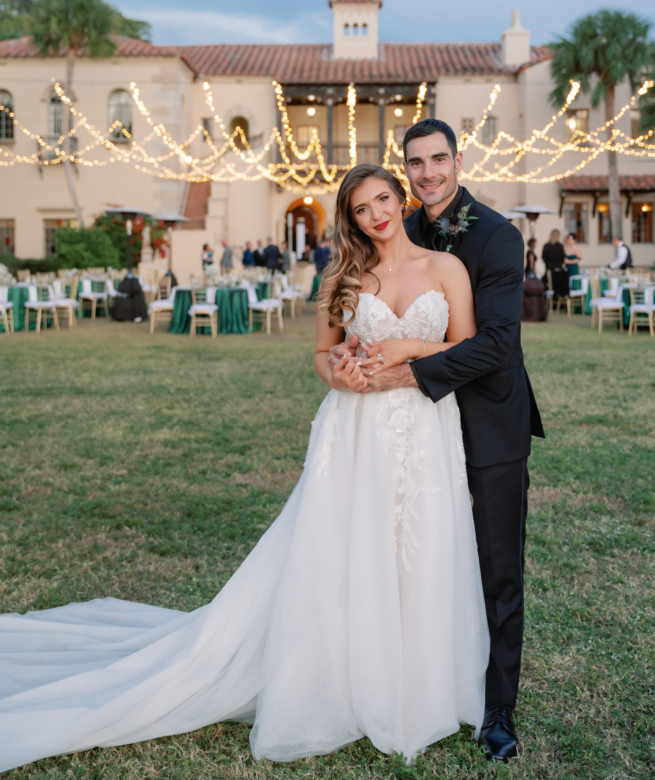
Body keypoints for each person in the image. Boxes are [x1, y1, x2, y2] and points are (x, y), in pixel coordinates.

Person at [0, 164, 488, 772]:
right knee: (350, 546)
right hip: (354, 426)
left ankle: (415, 678)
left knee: (418, 545)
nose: (375, 216)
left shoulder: (446, 269)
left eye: (383, 200)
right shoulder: (341, 274)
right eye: (361, 209)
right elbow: (320, 354)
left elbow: (469, 348)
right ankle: (343, 673)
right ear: (350, 218)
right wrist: (338, 370)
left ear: (401, 197)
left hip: (421, 424)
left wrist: (409, 347)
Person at [329, 119, 544, 763]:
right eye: (415, 164)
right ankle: (412, 680)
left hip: (491, 423)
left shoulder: (501, 237)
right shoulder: (397, 227)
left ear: (457, 160)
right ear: (404, 173)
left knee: (498, 569)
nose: (428, 174)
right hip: (418, 430)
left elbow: (498, 343)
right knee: (416, 556)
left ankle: (497, 708)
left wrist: (409, 364)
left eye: (438, 160)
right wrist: (349, 358)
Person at [542, 229, 568, 306]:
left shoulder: (546, 246)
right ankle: (560, 300)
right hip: (558, 273)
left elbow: (543, 258)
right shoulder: (560, 246)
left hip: (549, 270)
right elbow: (562, 259)